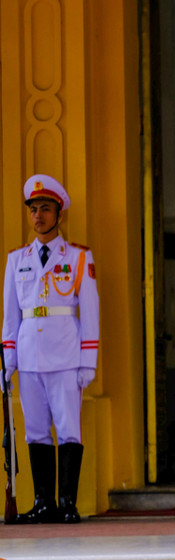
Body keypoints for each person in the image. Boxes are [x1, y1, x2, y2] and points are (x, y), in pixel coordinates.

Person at [2, 174, 99, 524]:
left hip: (65, 355)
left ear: (59, 214)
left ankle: (67, 503)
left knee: (69, 428)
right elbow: (10, 317)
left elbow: (90, 311)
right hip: (28, 357)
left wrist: (88, 361)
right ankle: (44, 503)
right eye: (33, 209)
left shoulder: (76, 257)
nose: (38, 215)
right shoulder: (17, 260)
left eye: (45, 209)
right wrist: (7, 362)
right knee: (36, 430)